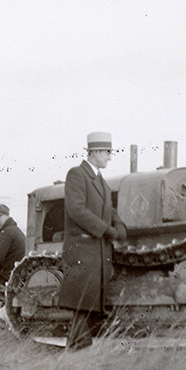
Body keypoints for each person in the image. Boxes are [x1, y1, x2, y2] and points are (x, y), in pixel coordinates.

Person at [59, 131, 128, 349]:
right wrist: (106, 230)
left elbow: (109, 210)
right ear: (95, 152)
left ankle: (79, 347)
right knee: (82, 302)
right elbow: (76, 210)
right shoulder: (77, 174)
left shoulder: (102, 182)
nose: (109, 157)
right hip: (83, 249)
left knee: (89, 302)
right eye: (107, 152)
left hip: (96, 250)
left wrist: (120, 226)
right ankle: (79, 347)